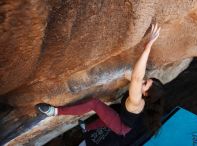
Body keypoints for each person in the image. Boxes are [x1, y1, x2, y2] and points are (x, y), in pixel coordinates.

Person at [35, 24, 165, 146]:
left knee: (95, 104)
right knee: (108, 116)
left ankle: (55, 112)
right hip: (123, 118)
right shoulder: (141, 96)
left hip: (121, 127)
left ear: (145, 94)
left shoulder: (136, 102)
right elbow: (134, 77)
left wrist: (148, 46)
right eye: (146, 80)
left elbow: (136, 78)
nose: (143, 80)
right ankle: (86, 127)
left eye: (145, 83)